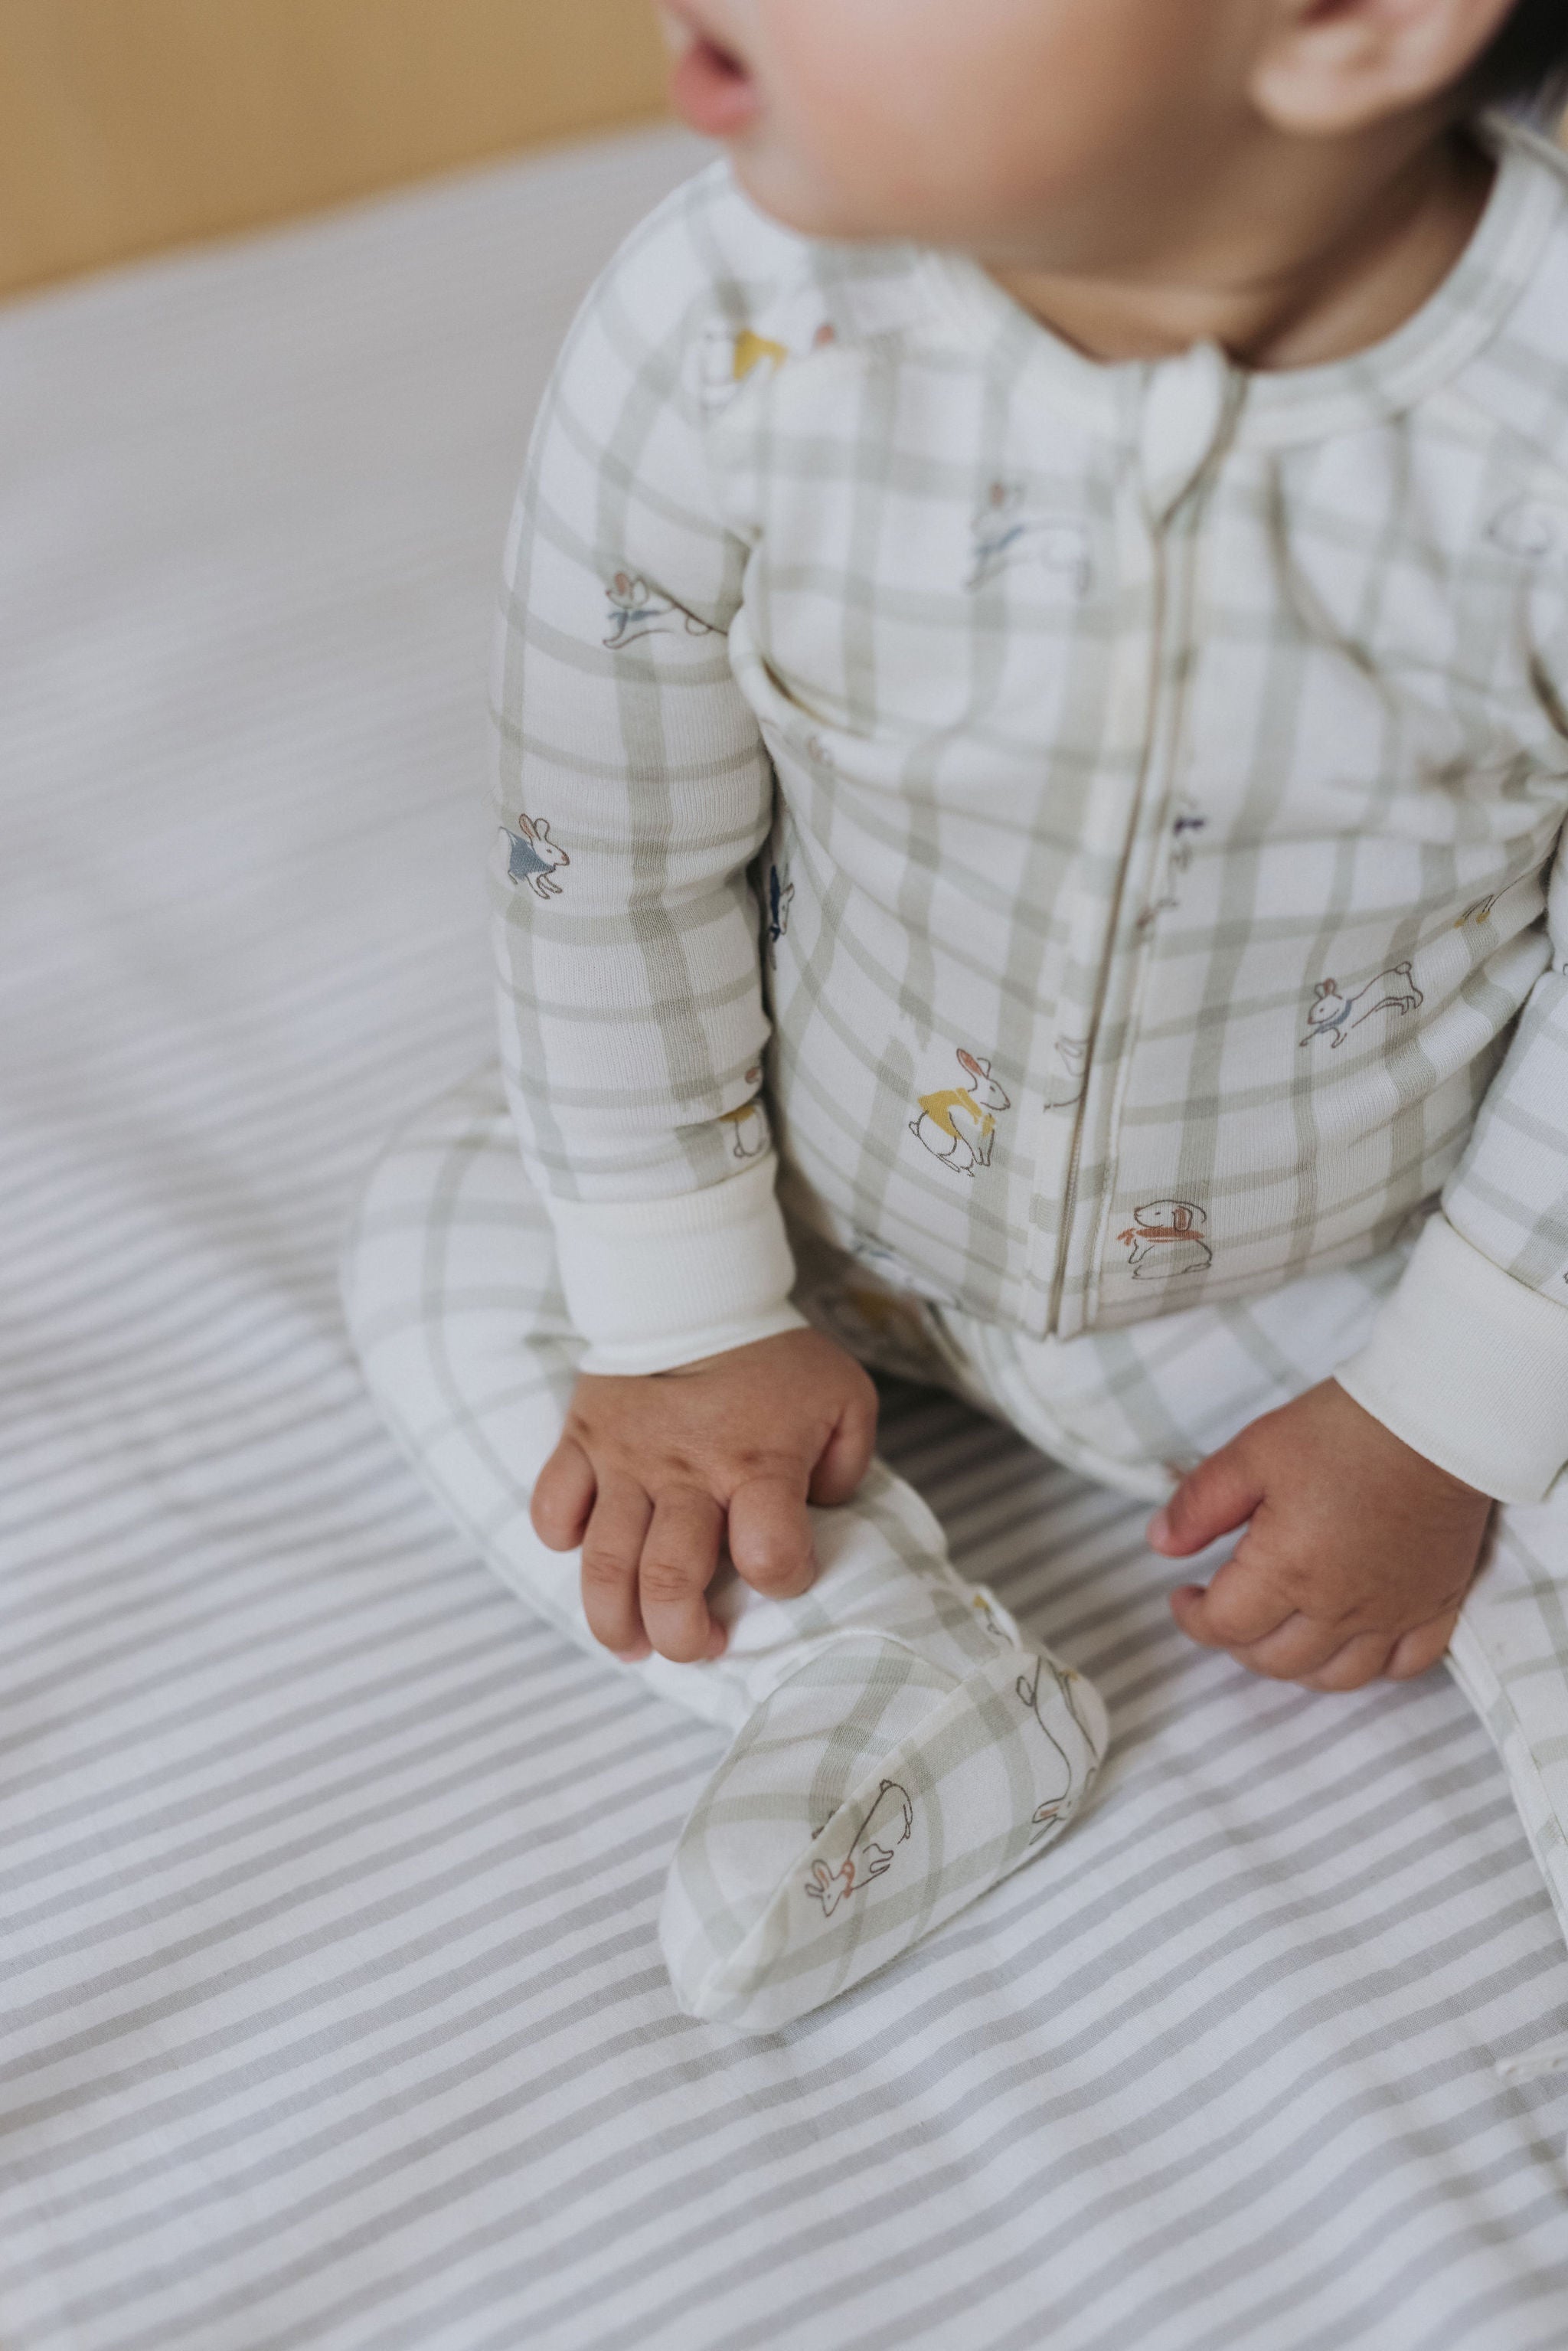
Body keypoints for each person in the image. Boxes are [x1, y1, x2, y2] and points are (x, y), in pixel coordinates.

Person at [344, 0, 1568, 2030]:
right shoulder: (727, 327)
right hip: (807, 1198)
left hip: (1347, 1276)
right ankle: (881, 1669)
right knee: (449, 1220)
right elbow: (604, 858)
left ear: (1352, 25)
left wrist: (1444, 1416)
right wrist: (687, 1315)